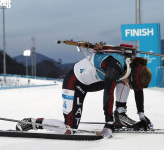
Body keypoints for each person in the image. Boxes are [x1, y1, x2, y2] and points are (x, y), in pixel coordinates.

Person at [16, 52, 152, 138]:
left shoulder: (132, 67)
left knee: (122, 82)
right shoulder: (115, 66)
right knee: (69, 129)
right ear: (133, 76)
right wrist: (108, 123)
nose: (130, 87)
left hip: (92, 82)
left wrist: (141, 115)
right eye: (132, 84)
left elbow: (138, 90)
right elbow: (108, 93)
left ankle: (120, 114)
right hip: (74, 83)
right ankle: (33, 123)